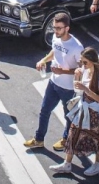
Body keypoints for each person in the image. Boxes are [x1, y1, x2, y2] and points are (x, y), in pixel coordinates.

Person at [50, 47, 99, 177]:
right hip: (83, 109)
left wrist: (85, 89)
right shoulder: (85, 70)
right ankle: (67, 163)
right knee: (72, 134)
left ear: (93, 61)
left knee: (98, 139)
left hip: (95, 113)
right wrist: (77, 74)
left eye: (85, 62)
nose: (82, 65)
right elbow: (78, 82)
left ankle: (97, 164)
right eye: (81, 62)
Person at [24, 12, 83, 152]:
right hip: (53, 83)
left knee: (68, 116)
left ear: (67, 28)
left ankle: (66, 139)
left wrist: (63, 71)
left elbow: (82, 68)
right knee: (44, 110)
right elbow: (54, 51)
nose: (55, 31)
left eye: (59, 28)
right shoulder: (56, 38)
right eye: (54, 27)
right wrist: (43, 60)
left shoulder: (77, 47)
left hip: (68, 88)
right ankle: (39, 139)